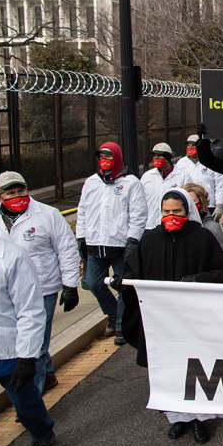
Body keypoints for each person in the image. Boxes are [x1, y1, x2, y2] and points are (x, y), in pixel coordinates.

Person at [116, 188, 223, 444]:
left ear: (187, 211)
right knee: (169, 367)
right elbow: (135, 272)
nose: (171, 215)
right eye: (166, 211)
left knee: (196, 366)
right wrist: (124, 283)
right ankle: (178, 416)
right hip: (161, 321)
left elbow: (221, 273)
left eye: (176, 211)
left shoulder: (202, 237)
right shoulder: (149, 240)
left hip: (194, 319)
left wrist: (198, 279)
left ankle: (201, 417)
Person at [0, 171, 81, 393]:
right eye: (10, 193)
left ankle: (33, 397)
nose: (17, 195)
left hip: (43, 289)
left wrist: (70, 285)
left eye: (21, 190)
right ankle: (47, 374)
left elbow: (67, 249)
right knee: (18, 341)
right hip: (5, 293)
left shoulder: (47, 214)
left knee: (35, 344)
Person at [0, 211, 57, 446]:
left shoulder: (11, 256)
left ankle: (42, 434)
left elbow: (30, 309)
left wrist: (28, 357)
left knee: (25, 404)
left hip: (9, 348)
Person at [76, 142, 147, 344]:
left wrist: (133, 240)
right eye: (102, 158)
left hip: (120, 244)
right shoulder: (91, 182)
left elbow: (138, 214)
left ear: (117, 158)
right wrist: (81, 237)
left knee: (122, 285)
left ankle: (120, 326)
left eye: (109, 158)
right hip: (94, 244)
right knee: (93, 283)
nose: (105, 161)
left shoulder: (131, 183)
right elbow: (82, 211)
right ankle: (112, 313)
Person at [174, 135, 223, 222]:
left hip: (208, 206)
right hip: (188, 205)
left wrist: (220, 204)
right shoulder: (181, 163)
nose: (191, 148)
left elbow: (220, 183)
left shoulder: (211, 160)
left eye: (193, 145)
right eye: (188, 146)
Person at [140, 143, 187, 229]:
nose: (156, 159)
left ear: (167, 157)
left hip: (173, 224)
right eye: (154, 156)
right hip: (150, 225)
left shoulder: (182, 175)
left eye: (159, 156)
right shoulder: (147, 176)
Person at [182, 183, 223, 252]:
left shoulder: (211, 228)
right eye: (185, 201)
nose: (189, 205)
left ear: (201, 202)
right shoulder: (179, 226)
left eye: (192, 201)